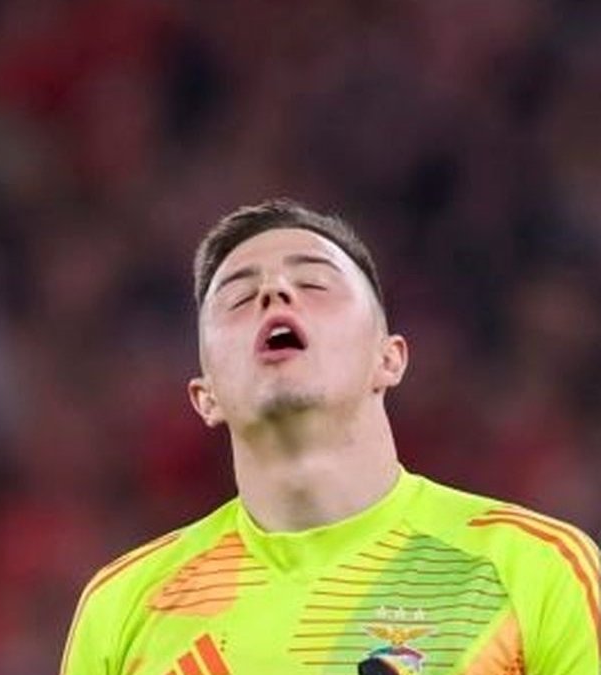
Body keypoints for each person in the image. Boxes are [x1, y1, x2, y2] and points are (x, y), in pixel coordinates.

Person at [59, 199, 600, 675]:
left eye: (314, 283)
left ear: (389, 359)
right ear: (206, 396)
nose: (274, 292)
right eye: (239, 297)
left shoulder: (535, 568)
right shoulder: (124, 606)